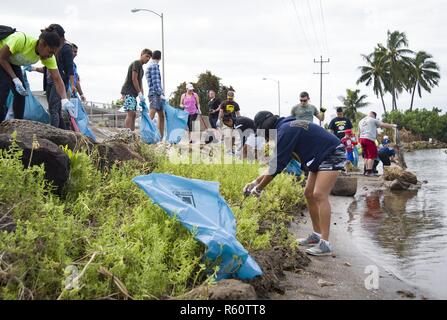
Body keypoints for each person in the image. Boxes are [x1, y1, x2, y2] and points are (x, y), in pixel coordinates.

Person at [244, 111, 346, 256]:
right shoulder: (285, 127)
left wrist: (259, 189)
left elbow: (276, 167)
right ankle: (316, 235)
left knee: (319, 195)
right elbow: (275, 164)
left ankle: (325, 243)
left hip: (332, 153)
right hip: (319, 155)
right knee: (309, 193)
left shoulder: (285, 131)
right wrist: (254, 182)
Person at [0, 25, 73, 122]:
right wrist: (15, 78)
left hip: (12, 61)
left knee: (21, 93)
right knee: (3, 87)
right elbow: (2, 58)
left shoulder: (49, 57)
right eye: (50, 52)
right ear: (42, 44)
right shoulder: (21, 40)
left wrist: (64, 99)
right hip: (2, 57)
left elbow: (57, 79)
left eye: (53, 54)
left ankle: (17, 124)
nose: (50, 56)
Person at [121, 48, 152, 131]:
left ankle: (132, 134)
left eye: (149, 58)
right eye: (147, 56)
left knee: (134, 114)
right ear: (141, 55)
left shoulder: (141, 69)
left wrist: (142, 95)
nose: (148, 59)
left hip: (133, 94)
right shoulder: (137, 63)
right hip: (128, 91)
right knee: (130, 112)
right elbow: (134, 79)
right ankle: (127, 134)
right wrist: (139, 93)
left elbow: (140, 82)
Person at [358, 111, 397, 176]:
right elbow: (383, 125)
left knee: (366, 156)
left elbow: (359, 133)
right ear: (374, 116)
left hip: (362, 139)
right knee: (372, 156)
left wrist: (358, 141)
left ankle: (365, 171)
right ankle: (369, 172)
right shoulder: (373, 119)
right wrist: (393, 126)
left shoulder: (361, 121)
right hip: (369, 139)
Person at [146, 50, 165, 138]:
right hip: (155, 93)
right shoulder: (154, 66)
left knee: (161, 115)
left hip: (156, 93)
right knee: (152, 114)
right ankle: (146, 135)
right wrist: (160, 93)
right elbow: (156, 82)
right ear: (160, 58)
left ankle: (160, 137)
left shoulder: (152, 65)